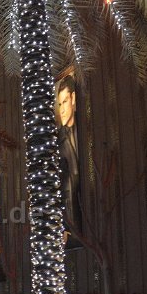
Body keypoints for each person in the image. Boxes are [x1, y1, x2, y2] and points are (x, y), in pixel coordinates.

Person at [57, 75, 82, 244]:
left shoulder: (83, 128)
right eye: (59, 104)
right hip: (70, 211)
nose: (62, 110)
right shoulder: (59, 140)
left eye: (65, 102)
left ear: (73, 99)